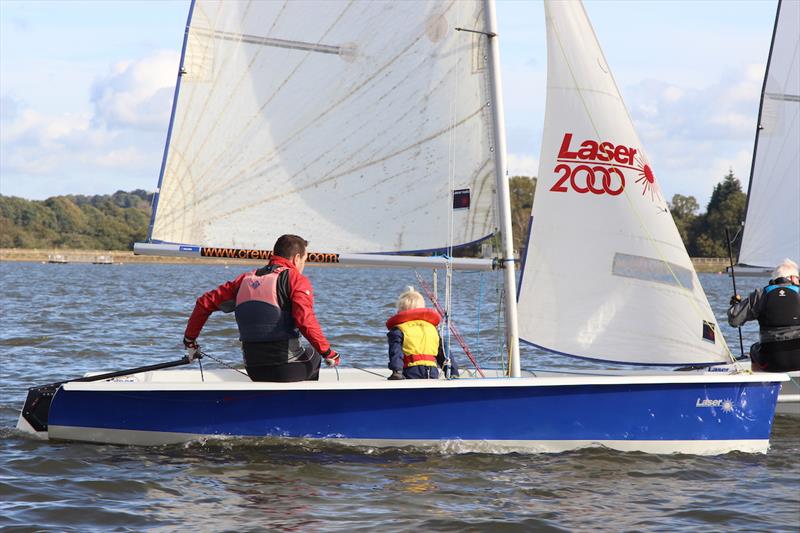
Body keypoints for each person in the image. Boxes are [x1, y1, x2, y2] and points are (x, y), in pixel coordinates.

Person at [182, 234, 339, 382]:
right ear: (297, 258)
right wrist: (328, 353)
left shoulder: (244, 279)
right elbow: (304, 320)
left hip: (254, 370)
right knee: (315, 354)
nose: (304, 265)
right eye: (305, 260)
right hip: (285, 370)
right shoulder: (295, 279)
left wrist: (190, 341)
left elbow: (203, 303)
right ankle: (304, 406)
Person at [728, 258, 800, 372]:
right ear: (792, 278)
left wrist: (736, 305)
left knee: (753, 349)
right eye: (798, 278)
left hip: (771, 361)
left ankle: (760, 384)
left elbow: (734, 321)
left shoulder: (760, 295)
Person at [385, 286, 458, 380]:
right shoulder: (432, 329)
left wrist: (397, 371)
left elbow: (395, 352)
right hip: (432, 371)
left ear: (400, 312)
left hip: (411, 370)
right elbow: (444, 353)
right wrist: (453, 372)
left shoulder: (399, 330)